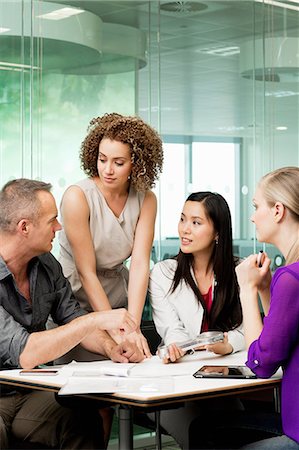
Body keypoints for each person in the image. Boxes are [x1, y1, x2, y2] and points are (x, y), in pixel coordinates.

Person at [0, 178, 143, 449]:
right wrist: (97, 318)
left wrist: (112, 348)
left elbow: (73, 317)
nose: (59, 227)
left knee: (81, 417)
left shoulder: (46, 264)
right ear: (24, 227)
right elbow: (26, 353)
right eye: (52, 220)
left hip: (27, 392)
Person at [58, 113, 163, 359]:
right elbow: (86, 272)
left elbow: (138, 265)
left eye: (118, 162)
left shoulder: (146, 199)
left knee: (127, 369)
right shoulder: (78, 197)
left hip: (117, 299)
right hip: (75, 302)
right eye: (102, 159)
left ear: (136, 163)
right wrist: (117, 327)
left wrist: (131, 326)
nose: (107, 169)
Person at [147, 191, 245, 449]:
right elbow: (172, 331)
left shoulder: (239, 271)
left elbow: (247, 331)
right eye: (182, 219)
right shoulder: (163, 274)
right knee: (203, 439)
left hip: (223, 383)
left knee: (237, 437)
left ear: (217, 233)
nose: (184, 230)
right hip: (178, 386)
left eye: (196, 222)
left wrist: (227, 343)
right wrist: (178, 348)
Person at [235, 167, 299, 449]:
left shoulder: (290, 278)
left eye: (256, 206)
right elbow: (282, 336)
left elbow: (261, 363)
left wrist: (247, 290)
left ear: (278, 211)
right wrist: (264, 288)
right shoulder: (290, 276)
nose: (252, 216)